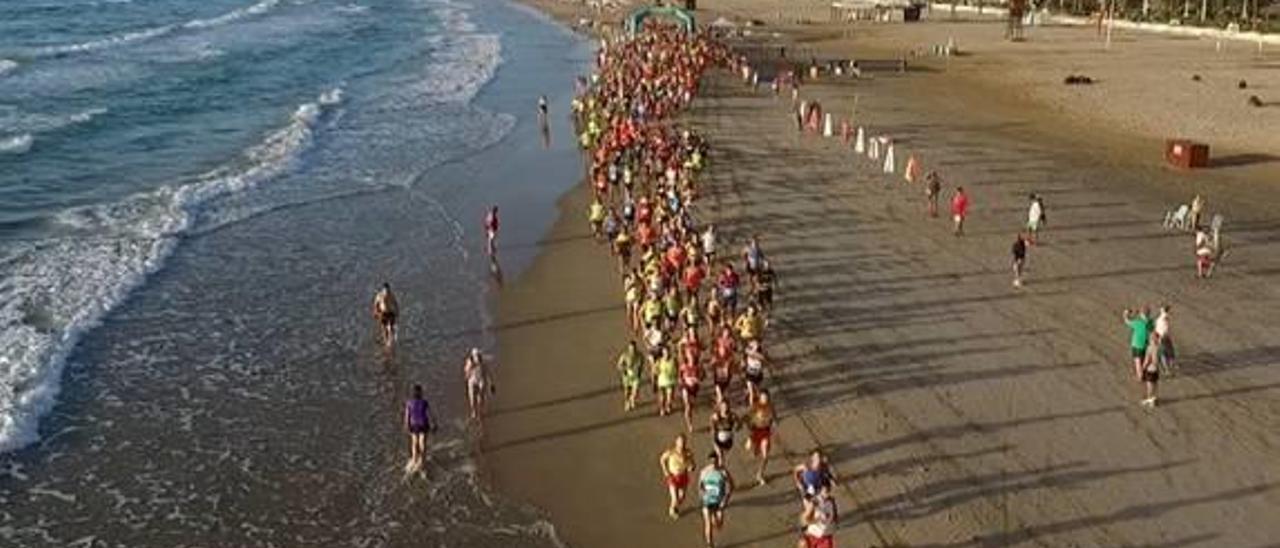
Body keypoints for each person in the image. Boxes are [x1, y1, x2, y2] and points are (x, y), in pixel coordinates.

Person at [699, 451, 734, 548]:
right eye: (712, 462)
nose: (713, 464)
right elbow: (700, 486)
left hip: (719, 501)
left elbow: (731, 486)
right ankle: (710, 545)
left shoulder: (723, 472)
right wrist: (702, 497)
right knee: (708, 523)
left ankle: (715, 519)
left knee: (719, 525)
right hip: (707, 501)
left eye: (715, 462)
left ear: (718, 461)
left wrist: (726, 499)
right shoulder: (704, 472)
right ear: (708, 462)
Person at [659, 434, 695, 520]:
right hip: (673, 477)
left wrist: (691, 467)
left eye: (683, 442)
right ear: (676, 442)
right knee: (674, 498)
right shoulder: (671, 451)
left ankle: (675, 507)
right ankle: (672, 511)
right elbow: (662, 459)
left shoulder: (688, 452)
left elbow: (692, 463)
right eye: (680, 442)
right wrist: (665, 471)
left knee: (681, 497)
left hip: (683, 476)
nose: (682, 444)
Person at [746, 389, 776, 485]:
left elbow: (774, 418)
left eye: (766, 397)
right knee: (754, 452)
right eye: (763, 397)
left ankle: (760, 474)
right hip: (755, 431)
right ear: (760, 397)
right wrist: (749, 437)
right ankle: (754, 449)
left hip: (765, 432)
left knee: (765, 455)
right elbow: (748, 420)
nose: (765, 399)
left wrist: (773, 426)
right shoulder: (755, 406)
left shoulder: (771, 407)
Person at [403, 384, 435, 473]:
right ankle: (422, 463)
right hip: (423, 424)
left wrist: (406, 425)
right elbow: (430, 414)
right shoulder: (424, 402)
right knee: (422, 444)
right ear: (421, 393)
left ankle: (414, 459)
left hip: (413, 425)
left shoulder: (409, 403)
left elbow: (407, 415)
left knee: (414, 443)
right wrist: (434, 423)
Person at [798, 483, 838, 548]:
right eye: (826, 491)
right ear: (820, 490)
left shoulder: (831, 501)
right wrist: (817, 519)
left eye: (829, 490)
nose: (828, 493)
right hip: (812, 535)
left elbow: (834, 516)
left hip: (825, 535)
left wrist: (833, 523)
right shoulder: (814, 502)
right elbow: (804, 519)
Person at [464, 347, 495, 421]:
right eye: (476, 356)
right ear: (472, 356)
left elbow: (488, 372)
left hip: (481, 379)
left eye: (478, 355)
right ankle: (473, 412)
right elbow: (466, 376)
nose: (477, 357)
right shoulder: (469, 362)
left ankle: (480, 413)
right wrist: (470, 369)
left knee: (480, 399)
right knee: (472, 398)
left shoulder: (483, 362)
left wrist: (491, 384)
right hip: (472, 380)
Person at [1122, 309, 1151, 382]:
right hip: (1145, 345)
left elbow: (1127, 321)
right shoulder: (1150, 323)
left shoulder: (1138, 323)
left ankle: (1140, 376)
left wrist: (1125, 314)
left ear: (1142, 314)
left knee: (1137, 362)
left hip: (1136, 345)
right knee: (1143, 361)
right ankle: (1143, 373)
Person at [617, 340, 644, 411]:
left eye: (634, 348)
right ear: (628, 348)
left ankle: (632, 399)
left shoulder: (640, 355)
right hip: (627, 376)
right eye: (631, 348)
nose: (632, 350)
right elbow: (619, 365)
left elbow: (641, 365)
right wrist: (625, 369)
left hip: (635, 377)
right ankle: (627, 402)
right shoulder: (624, 355)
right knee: (627, 391)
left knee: (635, 391)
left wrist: (639, 373)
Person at [709, 398, 738, 463]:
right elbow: (711, 423)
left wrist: (736, 428)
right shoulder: (716, 415)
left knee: (723, 456)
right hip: (718, 438)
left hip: (728, 440)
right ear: (720, 407)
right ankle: (720, 466)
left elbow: (739, 422)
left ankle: (720, 465)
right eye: (723, 406)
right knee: (720, 456)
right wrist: (713, 429)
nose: (724, 408)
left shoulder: (732, 415)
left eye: (726, 406)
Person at [372, 283, 399, 348]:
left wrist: (397, 311)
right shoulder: (379, 295)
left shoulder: (392, 295)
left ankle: (391, 339)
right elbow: (376, 304)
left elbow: (395, 303)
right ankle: (386, 340)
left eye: (388, 290)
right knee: (384, 328)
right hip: (383, 313)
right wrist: (375, 312)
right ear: (383, 290)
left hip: (391, 312)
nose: (387, 291)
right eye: (385, 290)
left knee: (391, 326)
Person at [743, 340, 768, 407]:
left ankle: (760, 405)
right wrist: (754, 348)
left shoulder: (761, 353)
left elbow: (763, 358)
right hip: (750, 375)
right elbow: (749, 352)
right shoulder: (748, 351)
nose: (755, 345)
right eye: (753, 344)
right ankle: (751, 408)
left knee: (758, 391)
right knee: (751, 393)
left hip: (758, 375)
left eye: (756, 344)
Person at [654, 346, 678, 417]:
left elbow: (678, 367)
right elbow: (655, 370)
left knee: (670, 397)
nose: (666, 354)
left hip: (671, 381)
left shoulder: (673, 360)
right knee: (662, 397)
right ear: (663, 353)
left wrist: (677, 375)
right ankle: (662, 408)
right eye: (665, 352)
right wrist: (655, 378)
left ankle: (668, 406)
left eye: (667, 352)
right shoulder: (659, 361)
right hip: (662, 381)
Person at [1154, 305, 1176, 376]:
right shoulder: (1165, 317)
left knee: (1164, 353)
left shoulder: (1158, 319)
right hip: (1164, 337)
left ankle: (1168, 369)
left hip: (1160, 337)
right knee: (1169, 353)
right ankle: (1169, 369)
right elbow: (1165, 323)